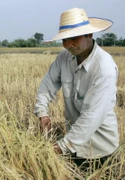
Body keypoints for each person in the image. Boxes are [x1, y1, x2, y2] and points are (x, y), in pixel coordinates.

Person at [34, 8, 119, 171]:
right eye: (64, 40)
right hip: (74, 147)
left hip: (100, 152)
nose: (68, 45)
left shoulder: (104, 69)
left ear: (90, 35)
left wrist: (60, 147)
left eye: (73, 38)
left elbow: (91, 117)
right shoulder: (64, 57)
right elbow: (48, 84)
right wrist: (42, 113)